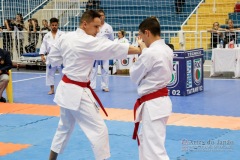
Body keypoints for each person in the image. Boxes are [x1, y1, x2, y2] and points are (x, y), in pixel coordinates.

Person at [47, 10, 141, 160]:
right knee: (99, 130)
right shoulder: (87, 41)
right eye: (96, 27)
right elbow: (112, 48)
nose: (98, 31)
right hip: (77, 92)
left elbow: (53, 59)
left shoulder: (65, 37)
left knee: (64, 128)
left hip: (66, 88)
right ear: (85, 24)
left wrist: (70, 61)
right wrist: (140, 49)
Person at [130, 16, 173, 160]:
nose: (141, 41)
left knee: (154, 149)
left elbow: (134, 76)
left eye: (141, 37)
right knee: (146, 143)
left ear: (147, 33)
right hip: (159, 102)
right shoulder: (167, 48)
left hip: (153, 104)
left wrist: (142, 51)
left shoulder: (150, 52)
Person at [90, 9, 114, 92]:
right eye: (99, 15)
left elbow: (111, 39)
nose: (101, 17)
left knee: (105, 69)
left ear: (104, 16)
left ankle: (105, 86)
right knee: (93, 69)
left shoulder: (108, 27)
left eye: (102, 15)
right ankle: (92, 86)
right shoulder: (94, 26)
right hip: (95, 50)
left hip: (105, 51)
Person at [39, 18, 64, 95]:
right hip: (51, 57)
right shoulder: (47, 36)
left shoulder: (62, 34)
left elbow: (66, 45)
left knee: (64, 74)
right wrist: (42, 55)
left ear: (58, 25)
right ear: (50, 25)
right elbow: (43, 45)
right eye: (52, 25)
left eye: (55, 25)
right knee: (50, 74)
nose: (54, 26)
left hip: (60, 57)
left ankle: (64, 90)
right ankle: (52, 89)